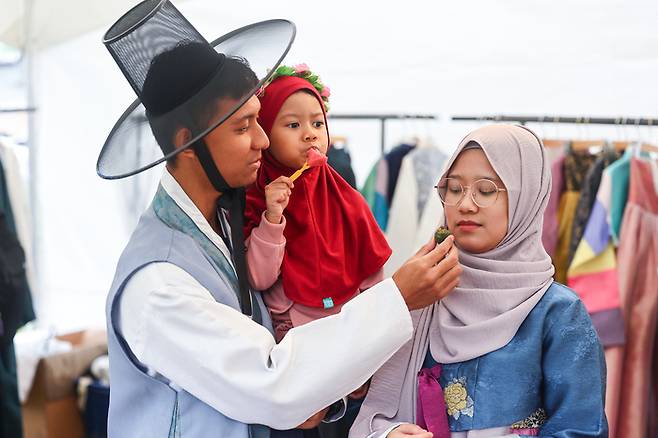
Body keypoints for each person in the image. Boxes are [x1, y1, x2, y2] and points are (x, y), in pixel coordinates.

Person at [97, 2, 461, 437]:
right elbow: (272, 381)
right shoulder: (159, 285)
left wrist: (333, 403)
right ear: (187, 144)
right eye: (243, 127)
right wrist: (398, 297)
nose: (263, 140)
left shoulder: (228, 227)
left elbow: (277, 370)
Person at [350, 124, 608, 438]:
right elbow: (379, 409)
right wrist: (389, 433)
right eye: (454, 189)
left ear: (526, 197)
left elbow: (581, 428)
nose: (465, 204)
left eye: (486, 190)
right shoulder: (426, 294)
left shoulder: (558, 313)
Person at [243, 64, 391, 435]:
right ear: (265, 134)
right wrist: (272, 218)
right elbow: (259, 277)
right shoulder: (255, 200)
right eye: (292, 125)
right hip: (294, 363)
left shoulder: (349, 200)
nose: (309, 135)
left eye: (317, 124)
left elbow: (373, 284)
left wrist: (368, 358)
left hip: (348, 361)